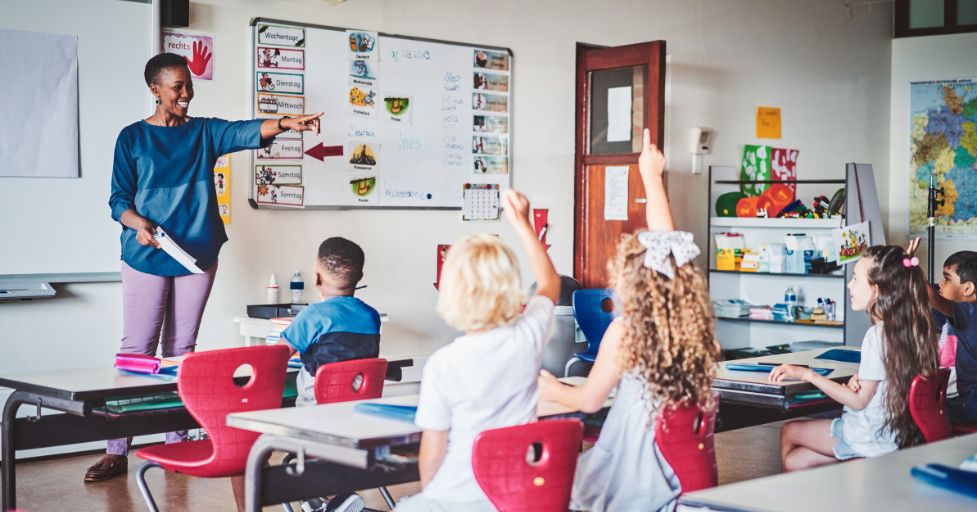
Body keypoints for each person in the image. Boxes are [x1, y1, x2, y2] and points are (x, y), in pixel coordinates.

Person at [91, 52, 321, 489]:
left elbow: (245, 131)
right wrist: (136, 223)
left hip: (197, 253)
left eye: (188, 85)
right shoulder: (132, 138)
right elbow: (119, 198)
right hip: (147, 251)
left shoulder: (204, 132)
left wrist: (288, 123)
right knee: (137, 352)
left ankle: (176, 440)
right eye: (176, 86)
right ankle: (115, 448)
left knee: (181, 351)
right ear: (155, 89)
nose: (185, 93)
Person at [537, 128, 720, 511]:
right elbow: (669, 251)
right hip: (677, 477)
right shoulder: (689, 327)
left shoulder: (627, 332)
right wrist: (651, 178)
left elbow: (588, 401)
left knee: (553, 483)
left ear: (632, 284)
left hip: (631, 477)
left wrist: (551, 388)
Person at [396, 189, 561, 511]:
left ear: (450, 290)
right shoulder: (527, 336)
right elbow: (550, 283)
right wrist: (523, 224)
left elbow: (433, 451)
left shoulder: (444, 364)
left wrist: (432, 496)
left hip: (458, 497)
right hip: (519, 497)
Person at [772, 245, 938, 471]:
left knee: (789, 431)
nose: (850, 285)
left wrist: (807, 374)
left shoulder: (877, 336)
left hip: (868, 437)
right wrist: (859, 381)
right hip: (895, 436)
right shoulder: (914, 330)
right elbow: (884, 385)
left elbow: (858, 402)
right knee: (796, 460)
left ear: (877, 290)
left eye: (855, 279)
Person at [278, 237, 381, 512]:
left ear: (316, 277)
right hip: (357, 419)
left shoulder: (313, 315)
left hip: (316, 419)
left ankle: (336, 500)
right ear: (359, 278)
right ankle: (323, 503)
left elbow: (276, 357)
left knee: (277, 445)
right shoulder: (371, 317)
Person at [907, 243, 977, 422]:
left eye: (947, 279)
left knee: (908, 413)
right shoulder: (955, 314)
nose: (941, 284)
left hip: (966, 404)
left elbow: (930, 296)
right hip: (963, 400)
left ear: (968, 289)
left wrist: (909, 265)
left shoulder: (970, 314)